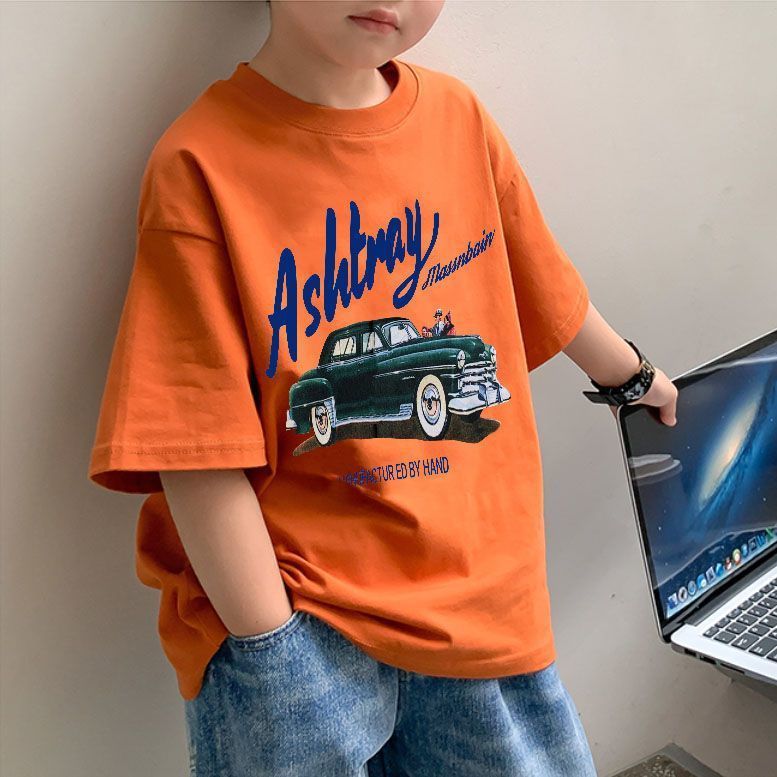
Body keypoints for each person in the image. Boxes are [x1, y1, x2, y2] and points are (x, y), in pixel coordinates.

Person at [87, 1, 679, 775]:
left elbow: (542, 281)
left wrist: (632, 376)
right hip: (302, 615)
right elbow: (193, 440)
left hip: (477, 596)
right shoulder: (202, 161)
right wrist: (271, 642)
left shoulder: (458, 120)